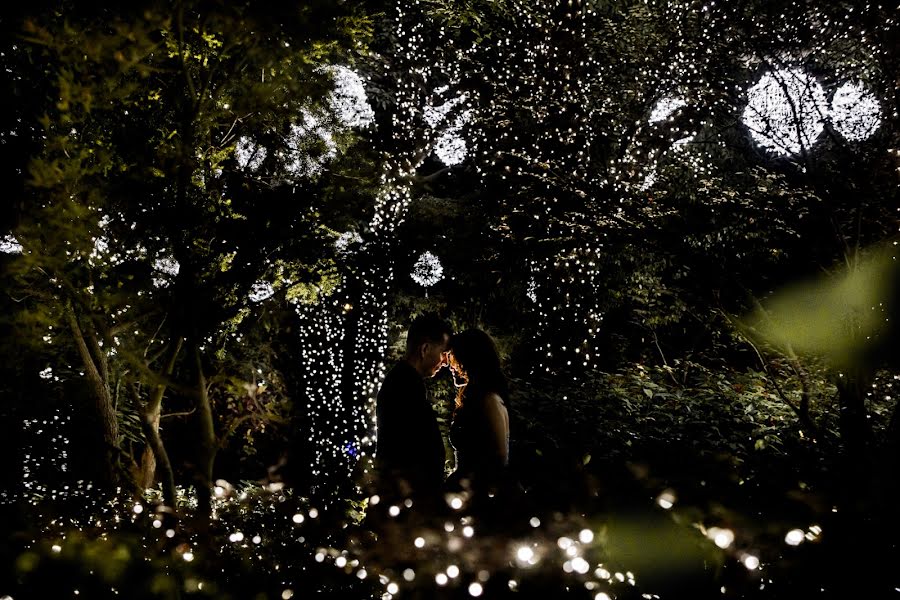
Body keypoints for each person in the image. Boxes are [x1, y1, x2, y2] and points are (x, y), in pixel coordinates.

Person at [371, 313, 452, 520]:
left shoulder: (405, 380)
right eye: (443, 353)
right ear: (425, 349)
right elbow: (409, 447)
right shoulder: (404, 385)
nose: (445, 362)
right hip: (406, 503)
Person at [445, 328, 514, 519]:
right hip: (465, 491)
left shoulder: (489, 400)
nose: (450, 366)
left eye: (454, 359)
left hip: (479, 499)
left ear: (469, 361)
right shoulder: (474, 399)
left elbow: (499, 457)